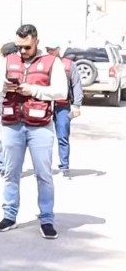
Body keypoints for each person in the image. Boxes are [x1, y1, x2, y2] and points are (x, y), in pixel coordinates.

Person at [0, 24, 67, 239]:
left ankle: (46, 219)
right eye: (19, 47)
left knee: (44, 175)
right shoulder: (9, 60)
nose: (22, 52)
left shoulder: (53, 63)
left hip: (40, 126)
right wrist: (5, 87)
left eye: (26, 47)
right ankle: (9, 215)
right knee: (10, 173)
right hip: (12, 124)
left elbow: (61, 91)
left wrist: (33, 90)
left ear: (36, 41)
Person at [44, 39, 82, 177]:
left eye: (52, 49)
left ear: (59, 49)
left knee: (63, 137)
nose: (50, 52)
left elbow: (76, 85)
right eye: (48, 49)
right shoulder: (42, 64)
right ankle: (43, 168)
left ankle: (64, 167)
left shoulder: (68, 65)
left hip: (62, 106)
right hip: (45, 106)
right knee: (43, 138)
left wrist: (76, 105)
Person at [0, 42, 19, 176]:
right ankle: (2, 165)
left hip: (5, 108)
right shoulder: (7, 67)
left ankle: (1, 164)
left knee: (6, 138)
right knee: (7, 139)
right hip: (4, 108)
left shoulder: (6, 65)